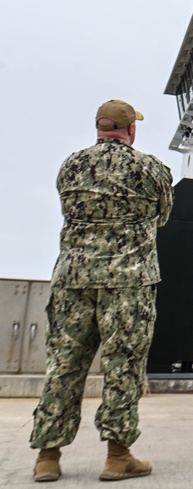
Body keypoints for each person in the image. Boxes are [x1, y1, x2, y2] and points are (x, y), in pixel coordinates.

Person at [30, 100, 173, 482]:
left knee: (63, 366)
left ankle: (47, 456)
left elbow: (68, 209)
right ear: (131, 130)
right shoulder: (150, 169)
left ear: (100, 127)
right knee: (123, 365)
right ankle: (118, 456)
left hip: (72, 280)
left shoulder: (71, 165)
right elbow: (162, 215)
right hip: (128, 282)